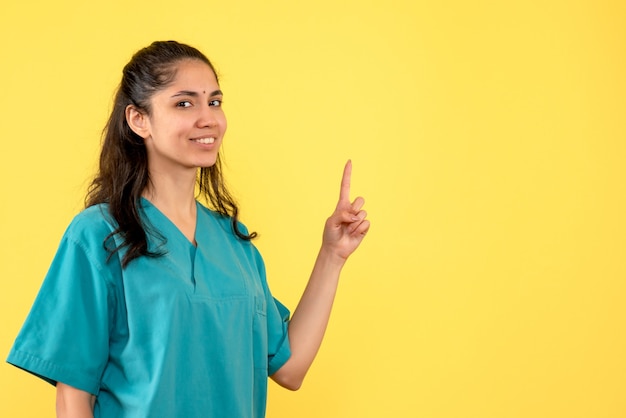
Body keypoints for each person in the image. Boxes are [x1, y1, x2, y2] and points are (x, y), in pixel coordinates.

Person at [6, 40, 369, 418]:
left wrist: (332, 256)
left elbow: (290, 369)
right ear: (138, 120)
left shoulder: (234, 243)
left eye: (214, 101)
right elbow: (73, 398)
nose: (208, 117)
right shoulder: (98, 235)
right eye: (184, 103)